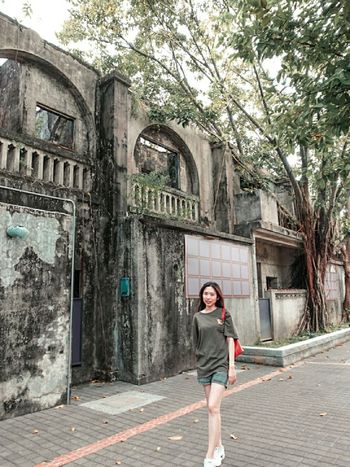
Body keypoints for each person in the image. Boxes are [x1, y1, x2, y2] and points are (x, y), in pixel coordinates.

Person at [192, 281, 239, 467]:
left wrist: (232, 367)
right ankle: (219, 447)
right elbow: (196, 342)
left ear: (217, 296)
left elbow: (230, 340)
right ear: (202, 296)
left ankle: (210, 454)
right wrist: (199, 360)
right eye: (205, 294)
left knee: (213, 406)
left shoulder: (223, 314)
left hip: (221, 365)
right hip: (204, 365)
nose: (208, 297)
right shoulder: (197, 317)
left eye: (212, 294)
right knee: (213, 410)